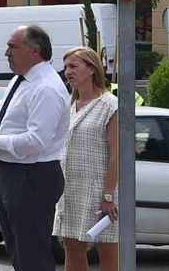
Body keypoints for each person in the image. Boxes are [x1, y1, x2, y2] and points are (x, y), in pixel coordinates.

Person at [0, 25, 69, 271]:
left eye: (12, 47)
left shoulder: (46, 88)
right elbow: (10, 121)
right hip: (11, 173)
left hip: (32, 177)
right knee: (18, 252)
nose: (6, 53)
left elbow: (36, 141)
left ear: (34, 51)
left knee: (32, 255)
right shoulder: (20, 80)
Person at [55, 46, 118, 271]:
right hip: (71, 189)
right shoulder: (69, 105)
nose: (67, 72)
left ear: (91, 69)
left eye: (73, 66)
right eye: (65, 68)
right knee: (72, 247)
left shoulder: (110, 104)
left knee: (107, 249)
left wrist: (108, 195)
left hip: (101, 189)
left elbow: (116, 153)